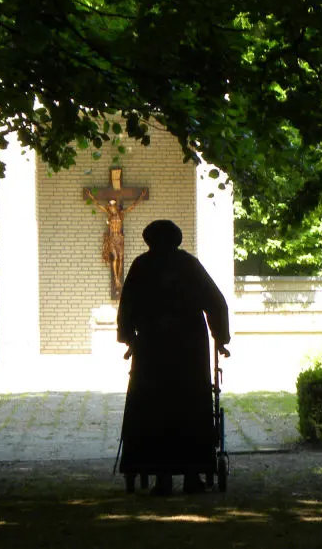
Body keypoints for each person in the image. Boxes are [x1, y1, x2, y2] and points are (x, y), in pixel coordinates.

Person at [116, 220, 231, 495]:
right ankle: (193, 475)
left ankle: (162, 477)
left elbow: (127, 304)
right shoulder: (189, 265)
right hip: (188, 346)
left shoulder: (142, 266)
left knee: (153, 407)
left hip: (153, 345)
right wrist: (221, 337)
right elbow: (215, 301)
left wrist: (128, 337)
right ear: (177, 240)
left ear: (149, 241)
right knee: (191, 403)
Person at [86, 188, 147, 294]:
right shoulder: (109, 216)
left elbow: (132, 206)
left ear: (115, 207)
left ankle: (118, 279)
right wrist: (91, 197)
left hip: (119, 239)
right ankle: (116, 279)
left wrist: (141, 197)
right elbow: (98, 206)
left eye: (113, 206)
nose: (111, 208)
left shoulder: (121, 214)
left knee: (121, 258)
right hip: (112, 239)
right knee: (114, 258)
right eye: (110, 206)